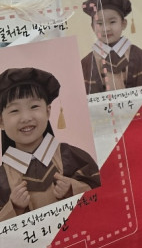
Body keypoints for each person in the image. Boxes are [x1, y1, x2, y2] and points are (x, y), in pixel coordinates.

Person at [0, 67, 101, 221]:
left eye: (34, 107)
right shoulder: (2, 178)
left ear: (48, 111)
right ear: (1, 121)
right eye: (14, 111)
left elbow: (104, 197)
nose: (26, 117)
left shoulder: (72, 157)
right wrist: (14, 207)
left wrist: (73, 189)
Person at [81, 0, 142, 94]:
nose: (106, 29)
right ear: (92, 27)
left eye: (112, 22)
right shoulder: (87, 62)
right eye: (99, 23)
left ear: (123, 24)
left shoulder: (138, 55)